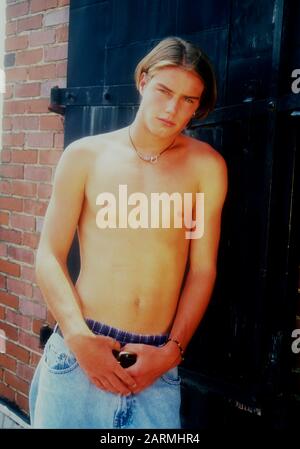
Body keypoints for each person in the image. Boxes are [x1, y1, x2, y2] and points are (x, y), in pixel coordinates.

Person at [29, 36, 228, 429]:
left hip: (153, 365)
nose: (173, 108)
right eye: (164, 90)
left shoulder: (206, 167)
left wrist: (172, 351)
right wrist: (77, 337)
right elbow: (49, 255)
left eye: (188, 100)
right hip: (79, 353)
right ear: (142, 81)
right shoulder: (86, 156)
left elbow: (202, 270)